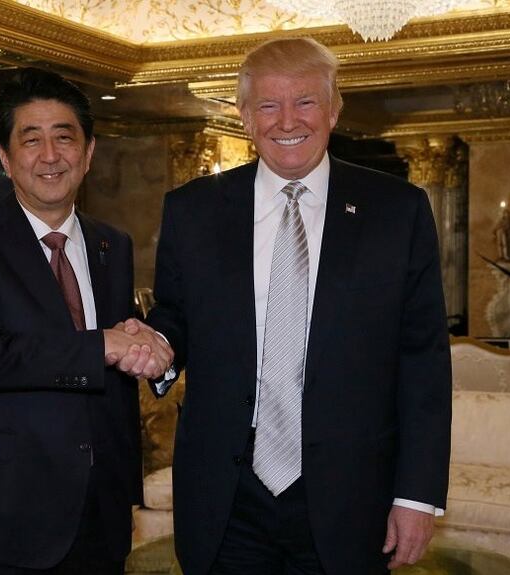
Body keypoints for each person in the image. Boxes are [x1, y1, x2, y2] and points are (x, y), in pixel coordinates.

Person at [143, 38, 452, 575]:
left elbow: (423, 361)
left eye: (306, 101)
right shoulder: (192, 211)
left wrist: (416, 496)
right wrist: (157, 344)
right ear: (244, 116)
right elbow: (176, 317)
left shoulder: (397, 211)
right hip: (225, 494)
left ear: (334, 109)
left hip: (352, 492)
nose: (288, 120)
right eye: (267, 104)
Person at [0, 67, 173, 575]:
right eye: (31, 139)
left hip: (101, 506)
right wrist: (100, 346)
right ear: (4, 156)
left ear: (87, 155)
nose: (49, 155)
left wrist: (138, 340)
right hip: (6, 510)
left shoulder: (113, 244)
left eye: (64, 138)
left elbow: (110, 343)